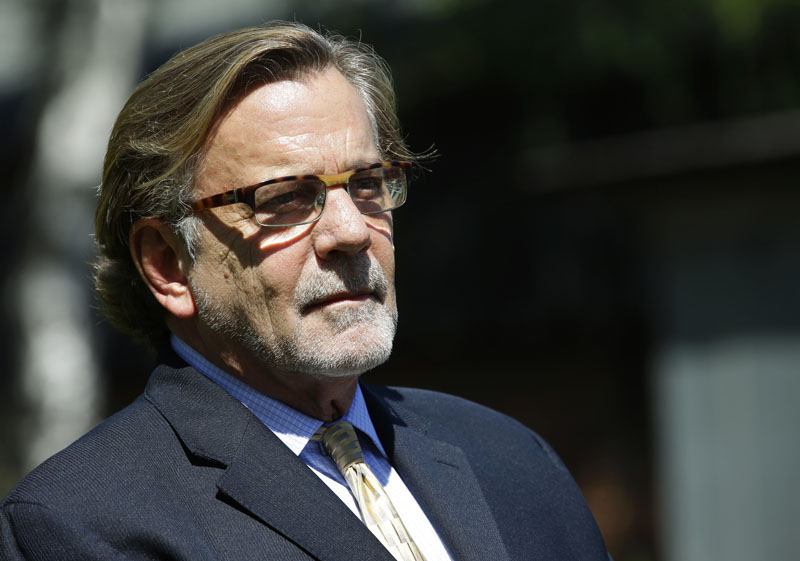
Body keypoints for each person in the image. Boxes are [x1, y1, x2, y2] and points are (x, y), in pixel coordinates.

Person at [0, 22, 610, 561]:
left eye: (368, 183)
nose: (349, 232)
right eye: (285, 198)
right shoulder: (84, 526)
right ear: (167, 263)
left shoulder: (511, 459)